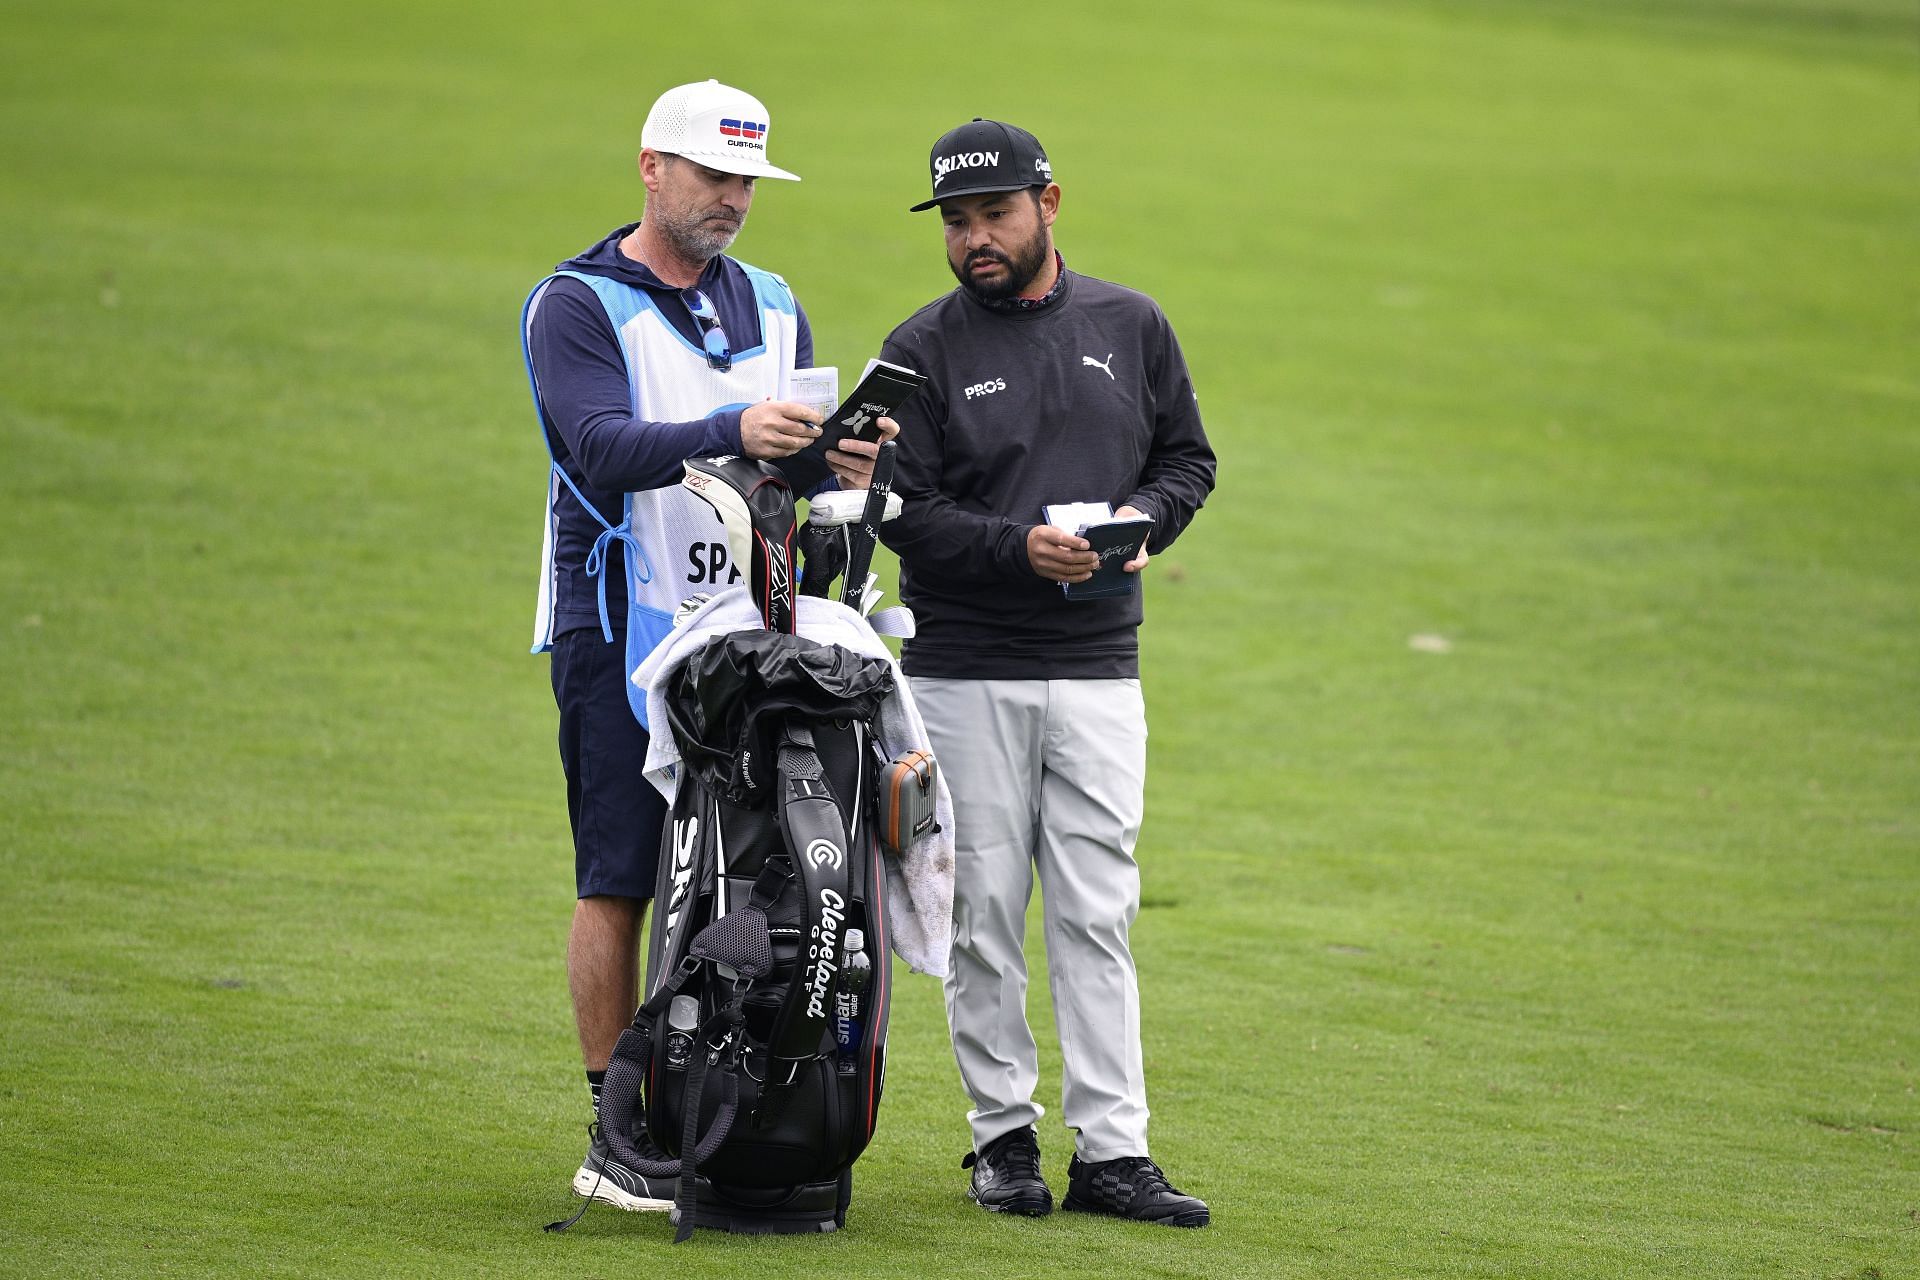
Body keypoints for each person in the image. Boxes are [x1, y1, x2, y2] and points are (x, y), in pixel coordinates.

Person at [519, 78, 891, 1214]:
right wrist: (732, 428)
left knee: (750, 862)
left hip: (750, 631)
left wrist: (845, 463)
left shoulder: (772, 300)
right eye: (713, 175)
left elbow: (793, 463)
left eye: (747, 181)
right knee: (621, 874)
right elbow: (598, 444)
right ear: (651, 167)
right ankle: (610, 1123)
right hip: (618, 625)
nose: (733, 198)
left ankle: (719, 1100)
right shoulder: (576, 303)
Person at [877, 119, 1218, 1228]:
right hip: (964, 667)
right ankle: (1002, 1140)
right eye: (957, 223)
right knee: (978, 910)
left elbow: (1187, 459)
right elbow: (904, 515)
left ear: (1049, 202)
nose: (975, 239)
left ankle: (1114, 1151)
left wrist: (1142, 520)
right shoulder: (920, 350)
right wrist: (1016, 548)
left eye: (995, 215)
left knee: (1096, 908)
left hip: (1100, 667)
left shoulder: (1131, 323)